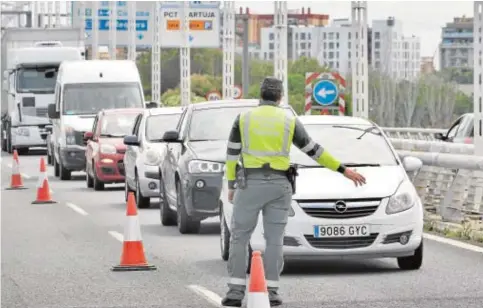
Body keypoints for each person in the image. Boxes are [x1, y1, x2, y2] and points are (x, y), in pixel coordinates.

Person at [221, 77, 367, 307]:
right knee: (275, 239)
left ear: (260, 96)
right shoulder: (289, 120)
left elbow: (231, 155)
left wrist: (231, 184)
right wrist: (343, 170)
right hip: (280, 186)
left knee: (239, 236)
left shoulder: (243, 119)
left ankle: (235, 292)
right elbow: (314, 151)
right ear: (280, 97)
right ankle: (272, 291)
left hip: (249, 184)